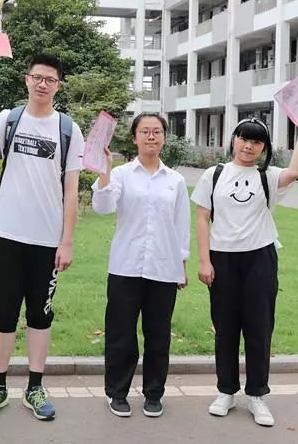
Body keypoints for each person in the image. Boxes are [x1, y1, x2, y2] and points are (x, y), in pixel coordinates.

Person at [0, 54, 85, 421]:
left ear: (58, 85)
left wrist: (66, 241)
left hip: (46, 240)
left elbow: (71, 192)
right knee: (3, 312)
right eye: (37, 77)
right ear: (26, 79)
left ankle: (35, 385)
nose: (43, 83)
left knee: (40, 314)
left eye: (50, 79)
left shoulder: (68, 129)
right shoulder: (10, 119)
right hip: (7, 234)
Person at [191, 110, 298, 427]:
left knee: (259, 328)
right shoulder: (214, 174)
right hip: (222, 258)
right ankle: (226, 391)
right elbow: (203, 218)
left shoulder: (267, 176)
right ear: (234, 140)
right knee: (225, 327)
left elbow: (297, 170)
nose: (248, 145)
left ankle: (257, 394)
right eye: (244, 138)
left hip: (260, 258)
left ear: (263, 147)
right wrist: (204, 260)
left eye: (256, 141)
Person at [92, 113, 190, 419]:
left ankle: (153, 394)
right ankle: (117, 393)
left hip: (163, 268)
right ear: (134, 137)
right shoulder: (121, 174)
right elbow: (103, 207)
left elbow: (181, 227)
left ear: (164, 138)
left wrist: (182, 264)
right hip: (126, 267)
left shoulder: (176, 181)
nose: (151, 137)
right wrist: (105, 171)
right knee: (121, 333)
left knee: (158, 334)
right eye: (145, 131)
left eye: (157, 132)